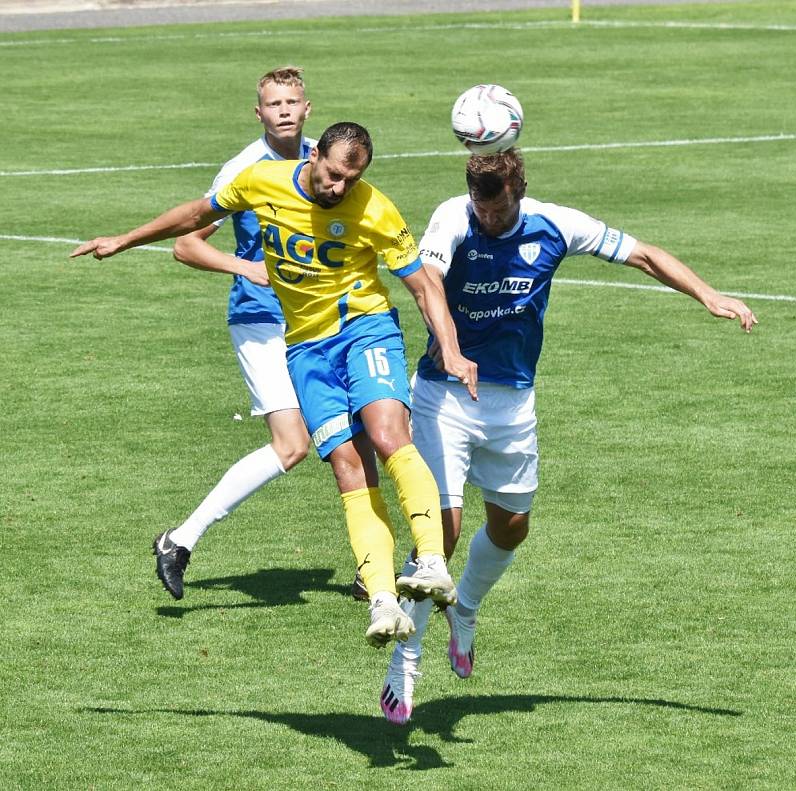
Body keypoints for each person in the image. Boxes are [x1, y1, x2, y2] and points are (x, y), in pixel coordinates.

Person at [379, 148, 757, 725]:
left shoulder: (558, 224)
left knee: (511, 528)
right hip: (444, 396)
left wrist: (708, 295)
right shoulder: (453, 215)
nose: (488, 218)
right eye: (481, 207)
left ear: (520, 191)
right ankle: (403, 669)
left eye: (498, 209)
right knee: (440, 534)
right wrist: (448, 343)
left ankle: (469, 609)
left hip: (512, 402)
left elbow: (644, 255)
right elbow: (425, 275)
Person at [70, 122, 479, 649]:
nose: (339, 189)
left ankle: (430, 559)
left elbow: (423, 286)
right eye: (333, 176)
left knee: (385, 433)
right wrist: (124, 239)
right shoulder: (262, 181)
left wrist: (450, 347)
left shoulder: (375, 209)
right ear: (315, 158)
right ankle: (381, 599)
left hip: (363, 327)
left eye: (351, 181)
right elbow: (196, 216)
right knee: (348, 467)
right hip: (306, 348)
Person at [151, 66, 317, 601]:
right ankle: (180, 539)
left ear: (307, 107)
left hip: (320, 318)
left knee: (360, 429)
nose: (285, 110)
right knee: (292, 446)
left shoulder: (325, 158)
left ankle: (372, 570)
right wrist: (246, 268)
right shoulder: (243, 169)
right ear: (260, 112)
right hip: (261, 319)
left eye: (293, 101)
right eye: (275, 103)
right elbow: (187, 244)